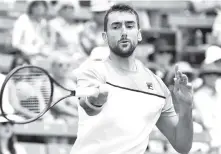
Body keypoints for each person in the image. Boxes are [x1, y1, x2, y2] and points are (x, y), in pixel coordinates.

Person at [70, 4, 193, 154]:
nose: (123, 32)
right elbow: (88, 107)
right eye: (115, 27)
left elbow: (182, 145)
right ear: (105, 36)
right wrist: (97, 100)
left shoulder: (158, 87)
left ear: (139, 34)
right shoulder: (93, 70)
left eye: (129, 26)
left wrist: (186, 107)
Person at [194, 63, 221, 153]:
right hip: (208, 134)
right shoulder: (199, 95)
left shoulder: (218, 93)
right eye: (209, 74)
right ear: (203, 77)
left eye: (215, 74)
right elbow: (207, 121)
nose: (212, 77)